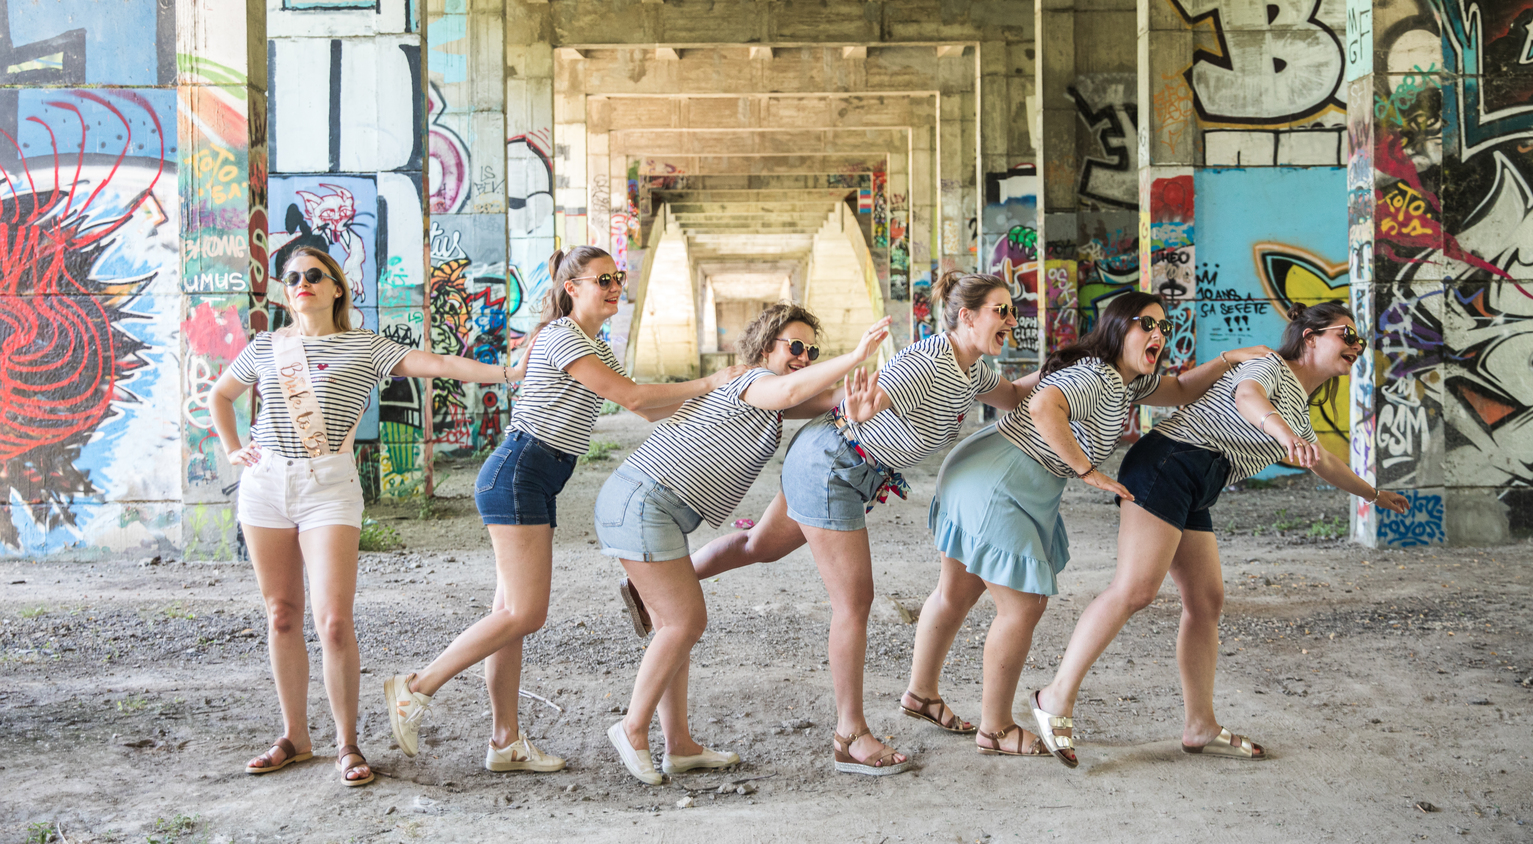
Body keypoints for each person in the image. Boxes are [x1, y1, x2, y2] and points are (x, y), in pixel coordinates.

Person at [631, 271, 1040, 776]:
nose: (1011, 319)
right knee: (854, 601)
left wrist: (1070, 368)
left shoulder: (972, 371)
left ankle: (655, 585)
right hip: (834, 464)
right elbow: (874, 397)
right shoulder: (928, 361)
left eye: (1012, 311)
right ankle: (850, 735)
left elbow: (1014, 395)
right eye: (1002, 310)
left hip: (834, 460)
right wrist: (865, 407)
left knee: (760, 546)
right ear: (967, 316)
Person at [384, 247, 746, 774]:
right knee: (525, 613)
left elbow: (654, 406)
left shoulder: (595, 347)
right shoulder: (561, 336)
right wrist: (710, 381)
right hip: (520, 472)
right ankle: (417, 687)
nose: (615, 286)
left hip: (536, 478)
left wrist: (731, 396)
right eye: (604, 279)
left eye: (618, 277)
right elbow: (633, 398)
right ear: (571, 288)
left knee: (510, 615)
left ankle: (505, 741)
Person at [1026, 301, 1410, 767]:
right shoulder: (1270, 366)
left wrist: (1373, 493)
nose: (1356, 345)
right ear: (1310, 337)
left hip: (1199, 478)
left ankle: (1200, 725)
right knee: (1135, 590)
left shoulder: (1298, 404)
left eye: (1360, 340)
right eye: (1346, 335)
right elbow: (1248, 396)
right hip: (1170, 461)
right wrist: (1280, 431)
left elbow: (1323, 460)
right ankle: (1054, 696)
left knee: (1206, 601)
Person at [900, 291, 1273, 756]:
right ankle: (995, 729)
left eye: (1164, 327)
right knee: (1023, 607)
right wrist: (1086, 469)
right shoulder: (1097, 375)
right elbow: (1043, 407)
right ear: (1118, 326)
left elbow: (1180, 389)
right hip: (1002, 480)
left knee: (956, 592)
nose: (1158, 334)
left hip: (992, 472)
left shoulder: (1126, 382)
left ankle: (921, 694)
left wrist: (1227, 359)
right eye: (1146, 324)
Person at [213, 246, 518, 786]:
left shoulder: (364, 346)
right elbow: (220, 395)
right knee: (281, 614)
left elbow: (440, 365)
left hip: (328, 487)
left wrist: (510, 371)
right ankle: (294, 737)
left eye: (313, 275)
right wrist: (234, 447)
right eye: (292, 277)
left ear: (337, 287)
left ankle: (347, 743)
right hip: (265, 485)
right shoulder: (266, 346)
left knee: (333, 621)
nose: (301, 283)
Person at [598, 306, 891, 784]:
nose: (804, 357)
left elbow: (825, 398)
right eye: (796, 347)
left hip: (658, 509)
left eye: (812, 351)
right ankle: (631, 728)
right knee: (685, 621)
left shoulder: (771, 402)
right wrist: (856, 354)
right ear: (765, 348)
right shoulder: (751, 381)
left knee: (674, 627)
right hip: (642, 502)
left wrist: (868, 396)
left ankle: (679, 746)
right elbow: (794, 390)